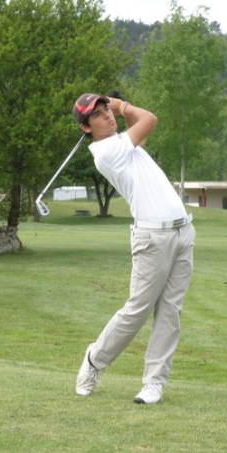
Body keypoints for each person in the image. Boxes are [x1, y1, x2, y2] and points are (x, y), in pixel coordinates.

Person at [72, 93, 196, 404]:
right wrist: (122, 105)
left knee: (170, 313)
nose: (108, 116)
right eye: (99, 115)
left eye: (107, 111)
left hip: (182, 231)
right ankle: (94, 361)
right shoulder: (107, 151)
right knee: (137, 310)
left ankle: (153, 383)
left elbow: (136, 127)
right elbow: (149, 119)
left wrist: (117, 111)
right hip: (152, 238)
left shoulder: (123, 143)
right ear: (86, 128)